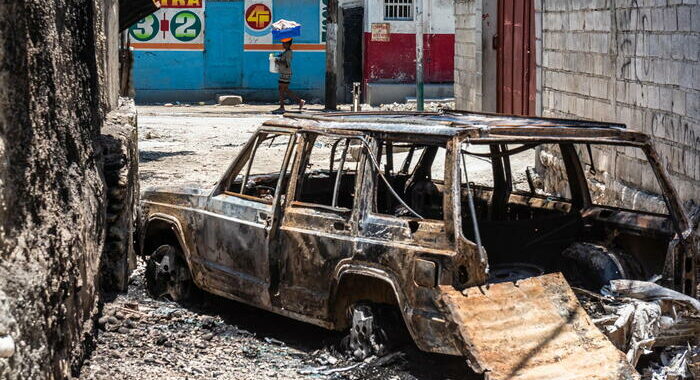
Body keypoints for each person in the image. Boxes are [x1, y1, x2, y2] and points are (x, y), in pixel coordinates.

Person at [272, 38, 305, 114]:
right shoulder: (285, 52)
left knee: (281, 89)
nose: (283, 45)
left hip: (285, 73)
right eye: (282, 43)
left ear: (288, 44)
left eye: (284, 43)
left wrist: (278, 61)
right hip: (284, 72)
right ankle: (299, 101)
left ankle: (282, 107)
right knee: (285, 89)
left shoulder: (289, 52)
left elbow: (287, 64)